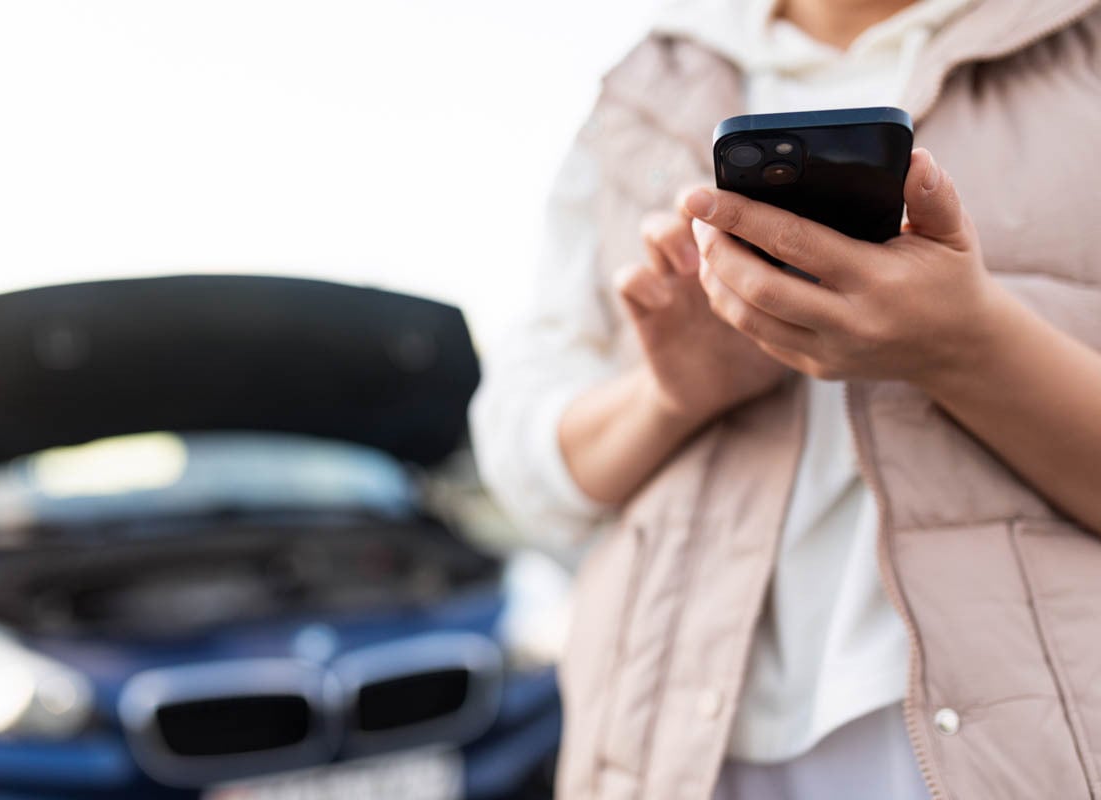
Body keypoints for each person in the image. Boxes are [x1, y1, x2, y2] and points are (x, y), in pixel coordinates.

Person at [470, 0, 1101, 797]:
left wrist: (966, 347)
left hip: (1027, 746)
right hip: (663, 743)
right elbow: (526, 461)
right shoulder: (647, 85)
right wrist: (675, 396)